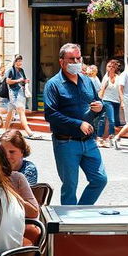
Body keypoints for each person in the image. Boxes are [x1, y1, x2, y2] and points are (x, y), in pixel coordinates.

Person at [43, 42, 107, 205]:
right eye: (72, 59)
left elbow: (97, 103)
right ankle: (69, 226)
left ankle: (81, 212)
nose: (76, 62)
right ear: (61, 61)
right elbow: (50, 114)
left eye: (79, 58)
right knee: (70, 186)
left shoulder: (88, 81)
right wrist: (77, 124)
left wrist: (100, 107)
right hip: (66, 142)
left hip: (89, 141)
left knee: (100, 179)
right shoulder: (53, 84)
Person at [4, 54, 37, 138]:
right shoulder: (10, 70)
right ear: (14, 61)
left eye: (20, 60)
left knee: (10, 113)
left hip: (20, 93)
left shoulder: (21, 70)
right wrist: (18, 80)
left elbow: (23, 80)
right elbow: (8, 81)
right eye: (18, 60)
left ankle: (5, 130)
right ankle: (29, 132)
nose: (19, 62)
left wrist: (26, 81)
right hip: (14, 94)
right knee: (21, 111)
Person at [98, 59, 121, 146]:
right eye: (109, 66)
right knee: (111, 120)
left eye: (113, 66)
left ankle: (107, 137)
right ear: (107, 68)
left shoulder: (118, 78)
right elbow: (102, 89)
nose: (111, 68)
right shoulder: (105, 78)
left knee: (115, 121)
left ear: (115, 68)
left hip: (116, 101)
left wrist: (122, 101)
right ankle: (111, 137)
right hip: (107, 100)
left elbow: (121, 90)